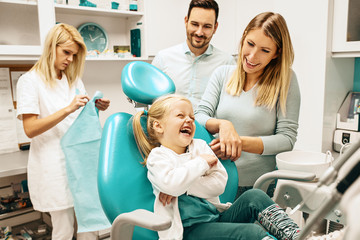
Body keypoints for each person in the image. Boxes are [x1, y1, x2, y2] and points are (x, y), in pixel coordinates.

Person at [132, 94, 300, 240]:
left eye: (191, 116)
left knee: (255, 196)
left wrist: (182, 186)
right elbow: (172, 185)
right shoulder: (158, 157)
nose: (189, 120)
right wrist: (201, 164)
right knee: (253, 232)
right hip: (188, 231)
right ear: (158, 126)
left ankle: (298, 236)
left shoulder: (200, 147)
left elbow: (218, 184)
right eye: (180, 115)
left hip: (215, 218)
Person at [16, 23, 110, 240]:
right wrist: (67, 109)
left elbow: (80, 117)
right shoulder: (30, 81)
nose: (70, 59)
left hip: (80, 163)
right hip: (53, 166)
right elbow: (30, 129)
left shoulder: (72, 78)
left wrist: (94, 107)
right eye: (66, 52)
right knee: (64, 229)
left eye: (74, 55)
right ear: (52, 47)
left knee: (91, 223)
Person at [195, 12, 301, 198]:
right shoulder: (222, 74)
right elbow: (199, 116)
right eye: (250, 44)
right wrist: (223, 125)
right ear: (244, 38)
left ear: (277, 53)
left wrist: (239, 142)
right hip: (214, 181)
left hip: (257, 186)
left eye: (265, 50)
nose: (252, 56)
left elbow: (286, 140)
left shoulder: (287, 81)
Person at [152, 0, 235, 109]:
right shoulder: (163, 58)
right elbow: (149, 99)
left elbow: (233, 105)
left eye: (207, 26)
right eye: (195, 24)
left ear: (215, 27)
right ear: (186, 21)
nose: (199, 32)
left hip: (207, 126)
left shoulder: (227, 63)